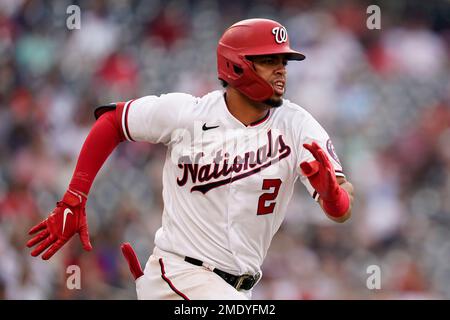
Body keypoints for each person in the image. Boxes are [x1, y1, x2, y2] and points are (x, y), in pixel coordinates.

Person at [27, 18, 354, 300]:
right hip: (181, 274)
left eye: (284, 62)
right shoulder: (188, 114)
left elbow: (341, 206)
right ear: (237, 64)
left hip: (238, 289)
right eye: (269, 60)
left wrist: (332, 196)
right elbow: (112, 122)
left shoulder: (297, 125)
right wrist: (75, 196)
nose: (281, 71)